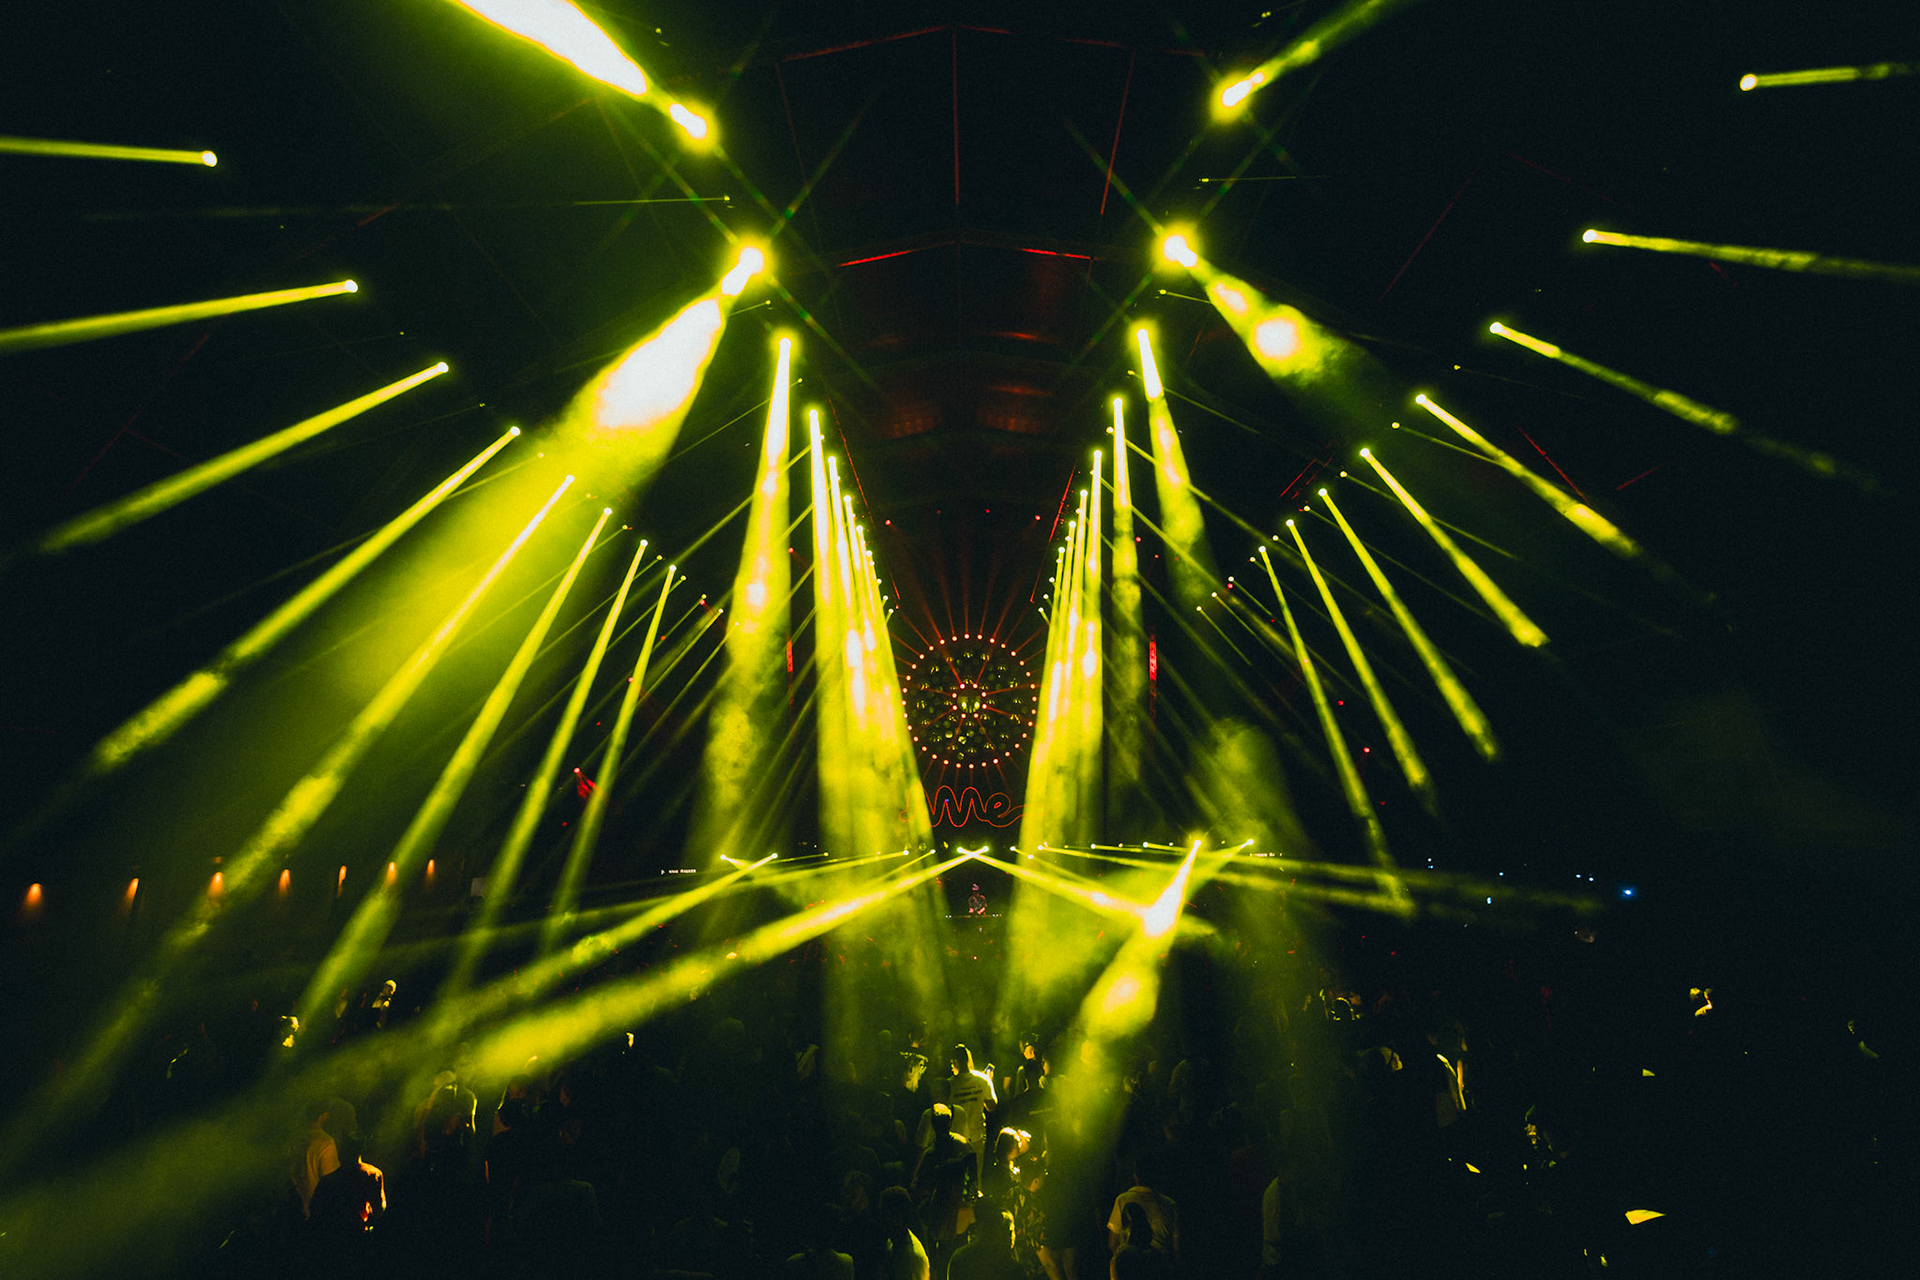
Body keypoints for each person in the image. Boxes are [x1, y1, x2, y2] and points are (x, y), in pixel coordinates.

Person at [307, 1128, 385, 1238]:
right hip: (359, 1235)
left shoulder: (328, 1181)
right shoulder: (373, 1174)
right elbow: (379, 1208)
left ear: (342, 1150)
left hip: (334, 1237)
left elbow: (314, 1209)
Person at [944, 1044, 997, 1181]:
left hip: (957, 1139)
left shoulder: (949, 1084)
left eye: (951, 1063)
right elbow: (991, 1106)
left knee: (957, 1176)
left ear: (956, 1062)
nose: (951, 1067)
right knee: (975, 1175)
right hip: (977, 1137)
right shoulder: (983, 1080)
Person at [947, 1207, 1022, 1280]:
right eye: (1004, 1231)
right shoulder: (1012, 1269)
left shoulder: (961, 1257)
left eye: (1011, 1232)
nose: (1010, 1236)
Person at [878, 1184, 932, 1280]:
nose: (880, 1220)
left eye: (884, 1215)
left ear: (899, 1218)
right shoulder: (894, 1244)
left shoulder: (912, 1258)